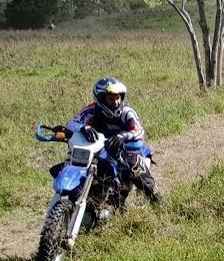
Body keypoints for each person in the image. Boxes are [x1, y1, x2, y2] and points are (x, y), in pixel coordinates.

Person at [66, 77, 161, 208]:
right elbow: (72, 123)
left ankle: (157, 200)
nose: (116, 102)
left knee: (135, 168)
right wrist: (84, 127)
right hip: (99, 149)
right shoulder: (91, 110)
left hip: (126, 148)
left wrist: (123, 136)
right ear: (101, 99)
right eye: (111, 99)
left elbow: (139, 130)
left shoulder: (127, 112)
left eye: (118, 98)